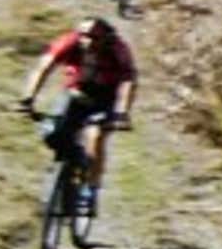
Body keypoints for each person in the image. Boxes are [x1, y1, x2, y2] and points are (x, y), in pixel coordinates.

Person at [19, 17, 138, 213]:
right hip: (75, 93)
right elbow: (44, 67)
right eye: (83, 36)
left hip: (105, 97)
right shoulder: (70, 42)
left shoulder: (117, 49)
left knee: (95, 137)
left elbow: (128, 81)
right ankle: (73, 161)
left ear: (105, 38)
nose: (87, 41)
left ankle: (90, 188)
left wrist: (121, 112)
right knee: (53, 133)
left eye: (94, 37)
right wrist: (28, 98)